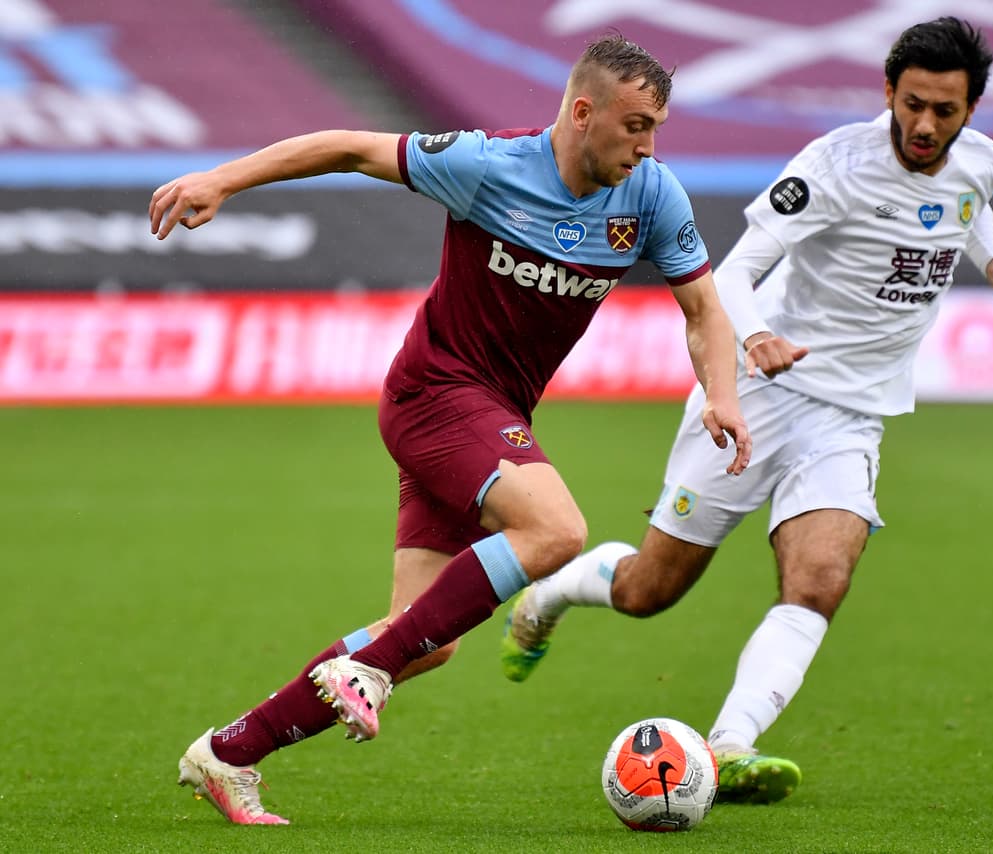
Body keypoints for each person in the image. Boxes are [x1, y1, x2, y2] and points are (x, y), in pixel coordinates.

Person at [150, 35, 752, 825]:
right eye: (636, 125)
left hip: (492, 415)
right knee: (556, 530)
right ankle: (368, 672)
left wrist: (723, 393)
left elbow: (705, 312)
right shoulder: (487, 165)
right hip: (436, 394)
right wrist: (222, 178)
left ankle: (229, 753)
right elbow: (349, 148)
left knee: (427, 638)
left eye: (656, 128)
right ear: (582, 112)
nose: (648, 145)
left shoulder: (650, 197)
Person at [499, 16, 993, 805]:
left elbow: (969, 205)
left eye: (947, 112)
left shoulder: (980, 162)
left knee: (821, 579)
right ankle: (550, 595)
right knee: (651, 589)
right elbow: (733, 272)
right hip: (758, 393)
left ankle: (728, 745)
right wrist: (754, 339)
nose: (927, 126)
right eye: (914, 105)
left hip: (852, 414)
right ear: (888, 92)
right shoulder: (832, 167)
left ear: (972, 112)